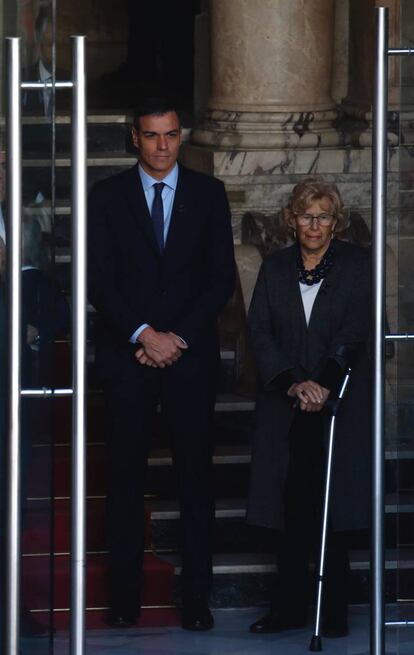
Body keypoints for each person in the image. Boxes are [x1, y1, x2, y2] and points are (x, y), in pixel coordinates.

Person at [87, 97, 236, 631]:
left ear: (182, 136)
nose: (162, 146)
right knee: (124, 481)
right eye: (151, 136)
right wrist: (144, 334)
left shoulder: (209, 194)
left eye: (171, 135)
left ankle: (197, 598)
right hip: (128, 358)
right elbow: (97, 278)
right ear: (134, 138)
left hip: (189, 359)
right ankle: (124, 597)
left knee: (196, 481)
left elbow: (221, 279)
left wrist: (176, 337)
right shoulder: (105, 197)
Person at [247, 177, 370, 638]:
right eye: (305, 215)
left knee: (333, 506)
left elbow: (359, 330)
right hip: (288, 405)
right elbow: (260, 332)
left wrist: (323, 384)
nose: (313, 224)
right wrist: (296, 385)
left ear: (336, 223)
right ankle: (287, 607)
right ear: (291, 219)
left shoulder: (358, 266)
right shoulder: (275, 268)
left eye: (323, 216)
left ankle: (332, 608)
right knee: (292, 507)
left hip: (339, 405)